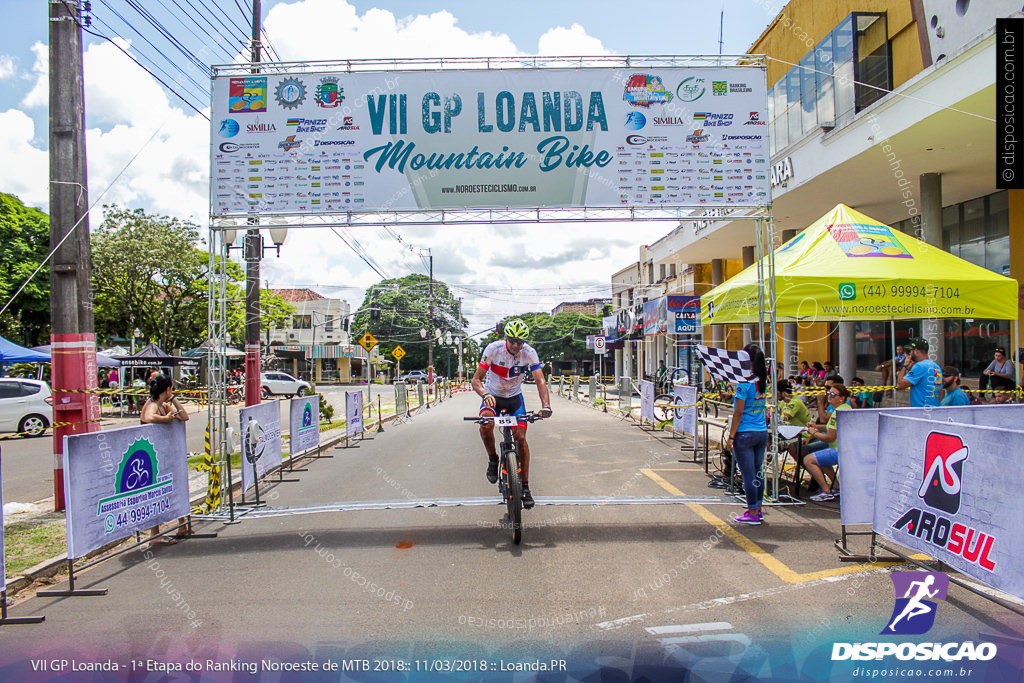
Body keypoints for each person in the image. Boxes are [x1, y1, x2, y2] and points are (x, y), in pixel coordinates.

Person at [472, 320, 552, 510]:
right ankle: (493, 459)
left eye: (520, 342)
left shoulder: (529, 353)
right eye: (513, 341)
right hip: (493, 397)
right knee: (485, 425)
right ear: (506, 337)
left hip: (515, 399)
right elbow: (476, 379)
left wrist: (546, 406)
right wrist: (485, 394)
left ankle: (525, 487)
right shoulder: (493, 349)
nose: (516, 345)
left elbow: (540, 380)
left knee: (521, 439)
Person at [140, 374, 190, 546]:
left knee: (172, 489)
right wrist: (166, 419)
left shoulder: (164, 405)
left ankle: (182, 524)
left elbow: (184, 416)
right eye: (171, 389)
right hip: (152, 458)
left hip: (165, 456)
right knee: (156, 493)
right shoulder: (152, 404)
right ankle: (155, 534)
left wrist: (174, 400)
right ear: (167, 389)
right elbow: (148, 417)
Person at [725, 343, 769, 526]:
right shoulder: (762, 381)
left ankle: (751, 512)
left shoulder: (744, 384)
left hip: (744, 434)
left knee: (748, 474)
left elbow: (738, 412)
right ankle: (757, 509)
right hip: (761, 432)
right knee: (758, 473)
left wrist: (731, 435)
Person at [803, 383, 852, 502]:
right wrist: (817, 426)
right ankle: (836, 487)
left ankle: (826, 491)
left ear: (842, 398)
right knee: (821, 460)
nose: (829, 396)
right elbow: (830, 427)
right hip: (845, 448)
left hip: (839, 450)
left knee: (808, 460)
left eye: (833, 395)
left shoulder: (838, 413)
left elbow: (829, 437)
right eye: (829, 394)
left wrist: (813, 432)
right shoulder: (843, 408)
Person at [896, 338, 942, 407]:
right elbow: (940, 392)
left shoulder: (920, 366)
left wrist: (904, 365)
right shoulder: (937, 367)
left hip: (920, 411)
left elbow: (900, 385)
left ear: (916, 351)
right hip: (934, 410)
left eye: (910, 350)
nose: (909, 353)